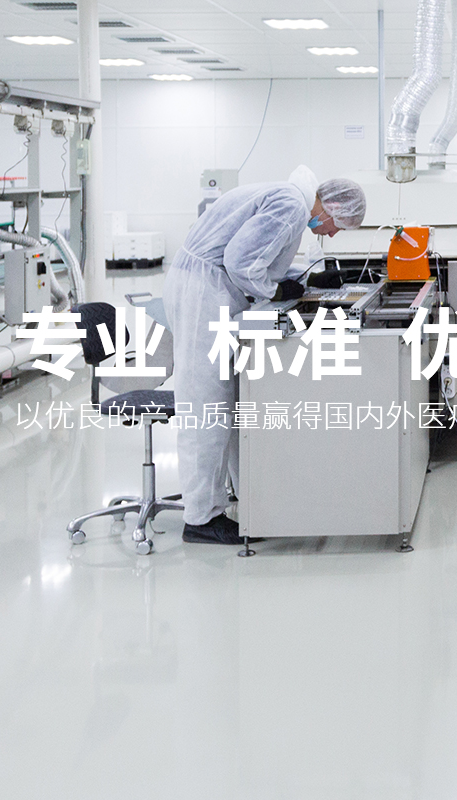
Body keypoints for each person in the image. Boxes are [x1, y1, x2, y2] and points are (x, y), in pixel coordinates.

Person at [163, 166, 367, 545]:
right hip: (202, 295)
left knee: (232, 402)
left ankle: (241, 494)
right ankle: (201, 518)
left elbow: (260, 258)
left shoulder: (291, 202)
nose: (333, 234)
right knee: (207, 406)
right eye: (338, 226)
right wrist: (276, 291)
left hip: (211, 290)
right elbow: (241, 263)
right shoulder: (291, 206)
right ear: (332, 209)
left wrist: (304, 279)